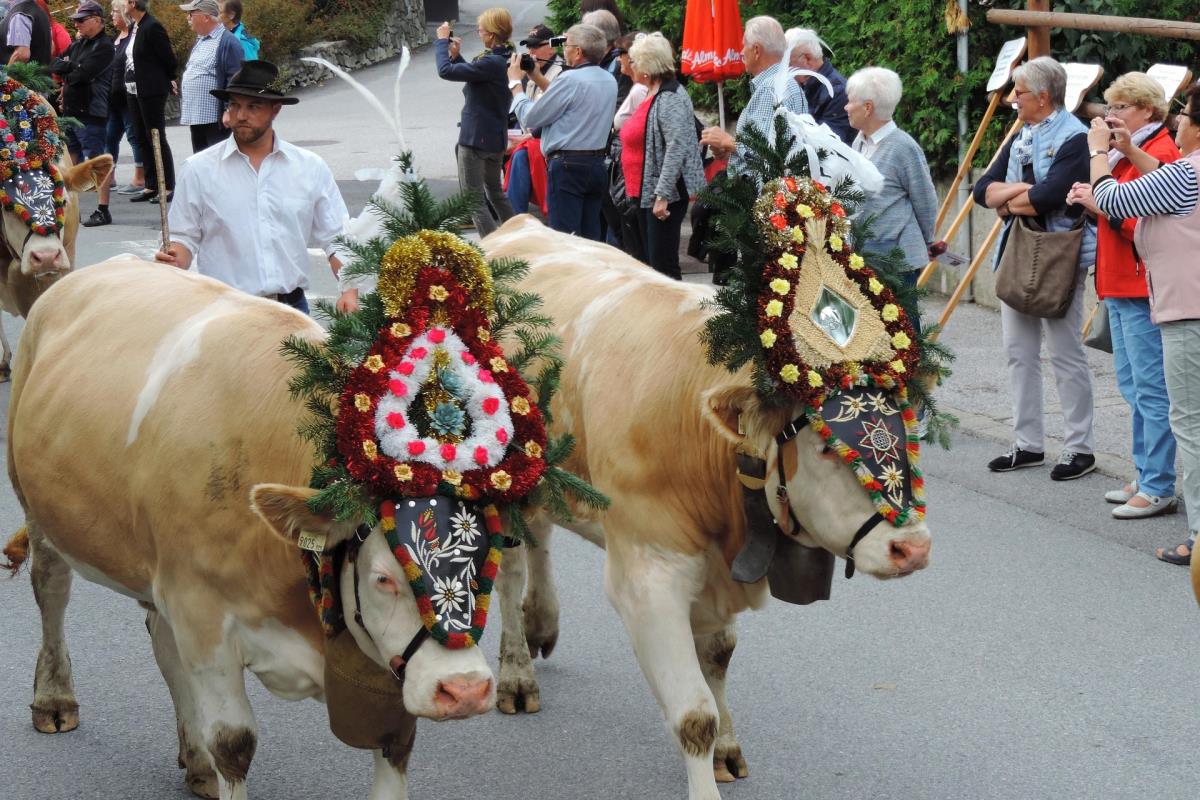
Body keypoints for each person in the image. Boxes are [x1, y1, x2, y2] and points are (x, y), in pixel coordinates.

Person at [1067, 82, 1200, 564]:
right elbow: (1161, 185)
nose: (1176, 122)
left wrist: (1099, 158)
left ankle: (1177, 507)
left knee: (1175, 408)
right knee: (1141, 389)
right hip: (1134, 287)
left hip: (1171, 299)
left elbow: (1127, 208)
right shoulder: (1170, 162)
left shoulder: (1180, 161)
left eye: (1183, 115)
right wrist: (1123, 152)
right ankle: (1151, 478)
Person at [973, 56, 1096, 480]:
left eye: (1018, 94)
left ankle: (1080, 447)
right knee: (1017, 352)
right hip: (1019, 248)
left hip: (1060, 254)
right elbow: (979, 189)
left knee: (1065, 353)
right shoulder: (1022, 132)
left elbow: (1053, 196)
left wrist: (1009, 201)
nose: (1012, 101)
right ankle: (1028, 443)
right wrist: (1023, 192)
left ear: (1043, 97)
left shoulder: (1075, 138)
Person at [155, 60, 348, 314]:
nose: (241, 115)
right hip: (223, 311)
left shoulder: (310, 167)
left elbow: (338, 238)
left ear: (275, 110)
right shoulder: (198, 169)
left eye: (253, 106)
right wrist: (174, 258)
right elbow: (183, 236)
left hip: (291, 311)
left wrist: (350, 289)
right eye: (234, 105)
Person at [1091, 73, 1181, 520]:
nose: (1112, 115)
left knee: (1151, 389)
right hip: (1119, 282)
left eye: (1122, 106)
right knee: (1133, 386)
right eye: (1110, 106)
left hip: (1140, 283)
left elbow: (1150, 224)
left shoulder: (1160, 151)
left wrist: (1101, 205)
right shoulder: (1125, 149)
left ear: (1147, 109)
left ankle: (1158, 483)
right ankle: (1147, 472)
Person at [507, 23, 616, 240]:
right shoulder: (608, 79)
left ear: (578, 51)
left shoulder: (570, 79)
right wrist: (536, 75)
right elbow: (569, 103)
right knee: (590, 238)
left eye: (567, 45)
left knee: (565, 238)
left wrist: (515, 83)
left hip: (568, 166)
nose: (564, 50)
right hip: (596, 164)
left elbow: (530, 117)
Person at [845, 67, 938, 318]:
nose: (845, 107)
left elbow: (925, 200)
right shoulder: (860, 141)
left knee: (902, 333)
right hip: (867, 253)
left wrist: (928, 241)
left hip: (896, 256)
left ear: (868, 107)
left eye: (850, 101)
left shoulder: (903, 147)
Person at [620, 32, 704, 280]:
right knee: (649, 266)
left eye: (634, 61)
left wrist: (663, 195)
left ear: (647, 66)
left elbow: (676, 147)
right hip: (643, 192)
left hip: (662, 195)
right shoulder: (651, 91)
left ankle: (677, 317)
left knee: (663, 268)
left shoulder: (670, 97)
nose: (629, 65)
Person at [434, 10, 515, 237]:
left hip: (476, 139)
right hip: (495, 137)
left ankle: (492, 249)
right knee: (496, 193)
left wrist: (441, 42)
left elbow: (445, 72)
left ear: (490, 35)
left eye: (480, 30)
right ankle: (517, 237)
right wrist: (456, 56)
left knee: (473, 199)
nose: (478, 33)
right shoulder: (506, 56)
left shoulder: (491, 62)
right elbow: (478, 79)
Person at [699, 16, 808, 176]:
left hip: (761, 195)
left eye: (744, 46)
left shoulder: (770, 89)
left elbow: (766, 155)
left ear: (756, 50)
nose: (742, 52)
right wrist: (730, 151)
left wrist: (727, 141)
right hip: (775, 192)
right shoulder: (786, 84)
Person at [50, 1, 113, 227]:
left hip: (91, 111)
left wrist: (71, 68)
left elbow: (83, 75)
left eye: (82, 20)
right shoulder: (79, 44)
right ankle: (71, 207)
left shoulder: (105, 46)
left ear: (97, 20)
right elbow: (55, 65)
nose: (76, 23)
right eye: (76, 19)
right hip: (71, 110)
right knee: (71, 160)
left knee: (96, 161)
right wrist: (72, 67)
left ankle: (103, 208)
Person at [504, 23, 563, 216]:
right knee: (492, 144)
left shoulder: (561, 72)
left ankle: (515, 217)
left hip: (549, 138)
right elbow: (518, 108)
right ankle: (497, 209)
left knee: (521, 155)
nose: (531, 51)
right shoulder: (533, 69)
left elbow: (554, 115)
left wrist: (526, 137)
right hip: (529, 133)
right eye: (529, 47)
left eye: (536, 46)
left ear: (552, 47)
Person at [125, 0, 178, 205]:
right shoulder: (134, 27)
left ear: (133, 3)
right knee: (141, 136)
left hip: (151, 89)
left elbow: (168, 58)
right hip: (132, 89)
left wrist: (168, 78)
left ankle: (167, 185)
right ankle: (151, 183)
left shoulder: (152, 26)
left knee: (155, 135)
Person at [178, 0, 242, 154]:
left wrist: (229, 109)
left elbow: (235, 78)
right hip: (197, 117)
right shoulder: (201, 40)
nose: (188, 18)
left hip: (216, 120)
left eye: (191, 14)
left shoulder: (228, 42)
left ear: (205, 17)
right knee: (201, 163)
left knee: (217, 163)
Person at [106, 0, 146, 198]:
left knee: (134, 136)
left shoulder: (132, 37)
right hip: (113, 98)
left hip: (128, 96)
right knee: (110, 136)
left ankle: (140, 177)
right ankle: (109, 177)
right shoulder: (116, 38)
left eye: (115, 11)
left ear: (124, 13)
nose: (112, 15)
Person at [785, 27, 852, 144]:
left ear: (807, 59)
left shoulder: (837, 92)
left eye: (789, 64)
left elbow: (828, 147)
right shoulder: (804, 87)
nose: (786, 71)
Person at [0, 0, 50, 66]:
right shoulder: (40, 12)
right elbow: (52, 48)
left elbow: (22, 55)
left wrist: (8, 74)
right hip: (41, 73)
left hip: (22, 75)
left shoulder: (19, 15)